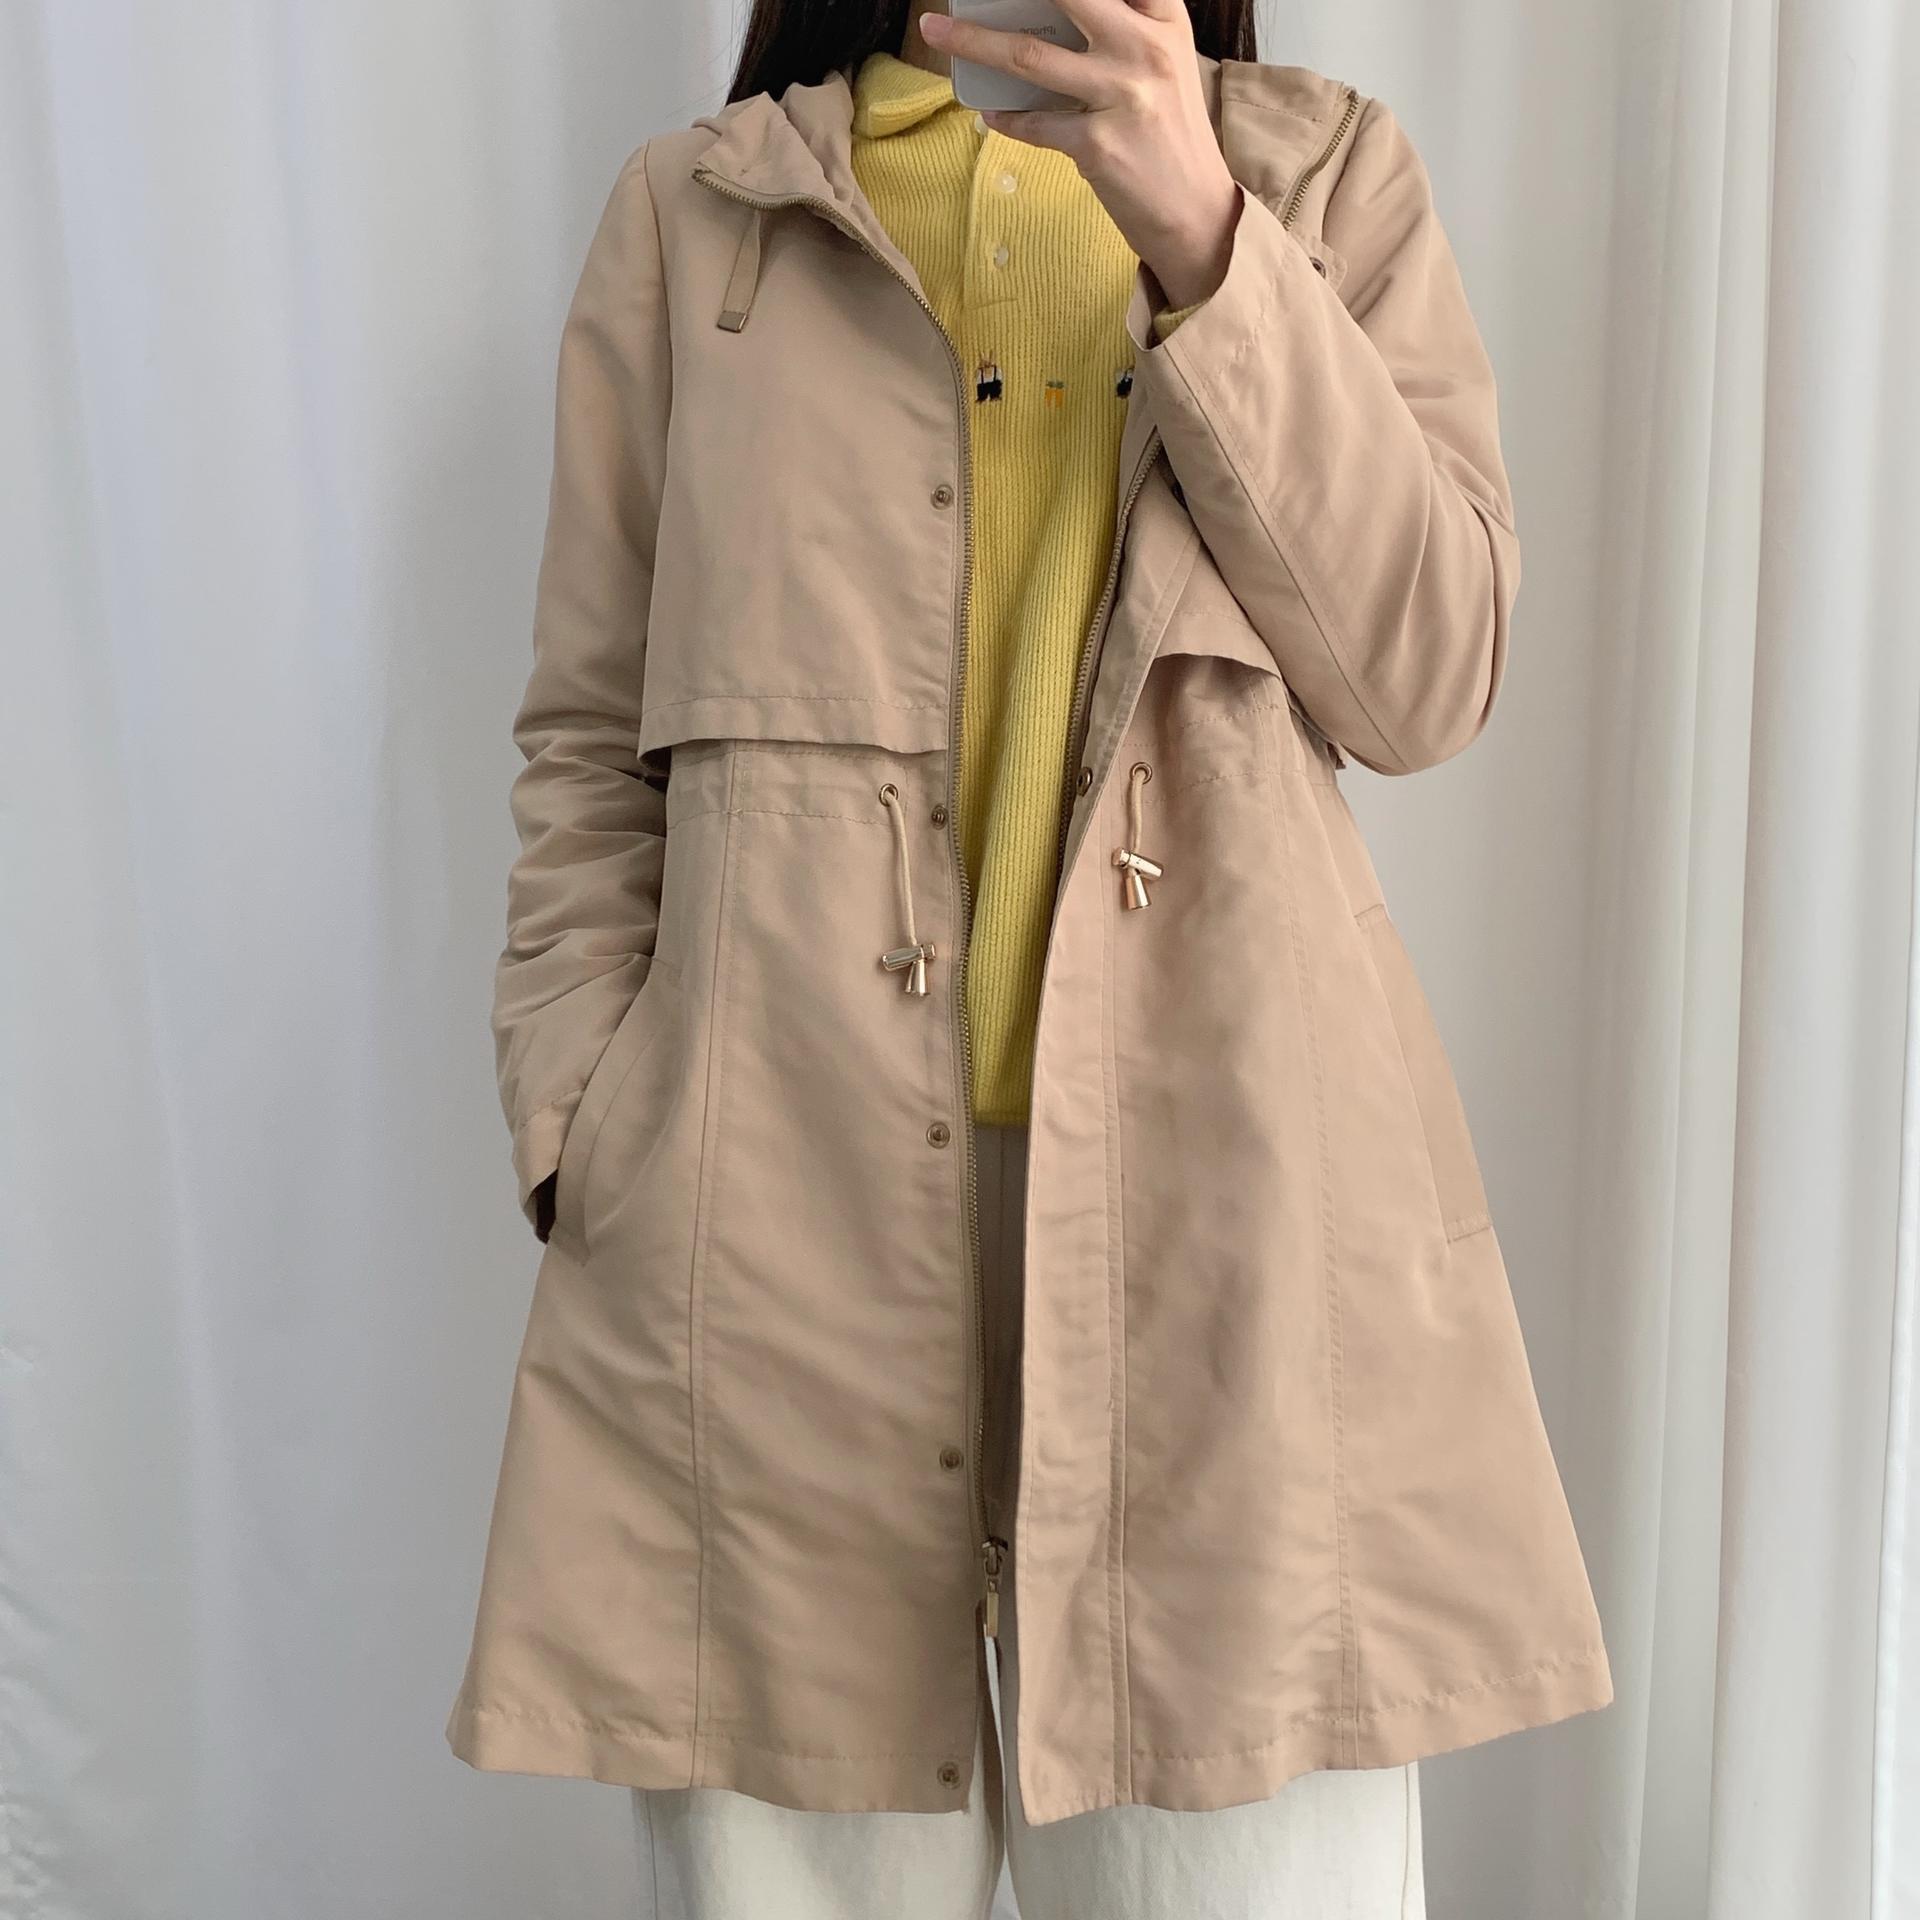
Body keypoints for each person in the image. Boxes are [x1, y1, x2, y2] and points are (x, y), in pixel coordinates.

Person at [445, 2, 1615, 1913]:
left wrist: (1210, 239)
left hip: (1221, 1235)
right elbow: (588, 734)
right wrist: (588, 1119)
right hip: (774, 1235)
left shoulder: (1319, 179)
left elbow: (1428, 671)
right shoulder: (698, 215)